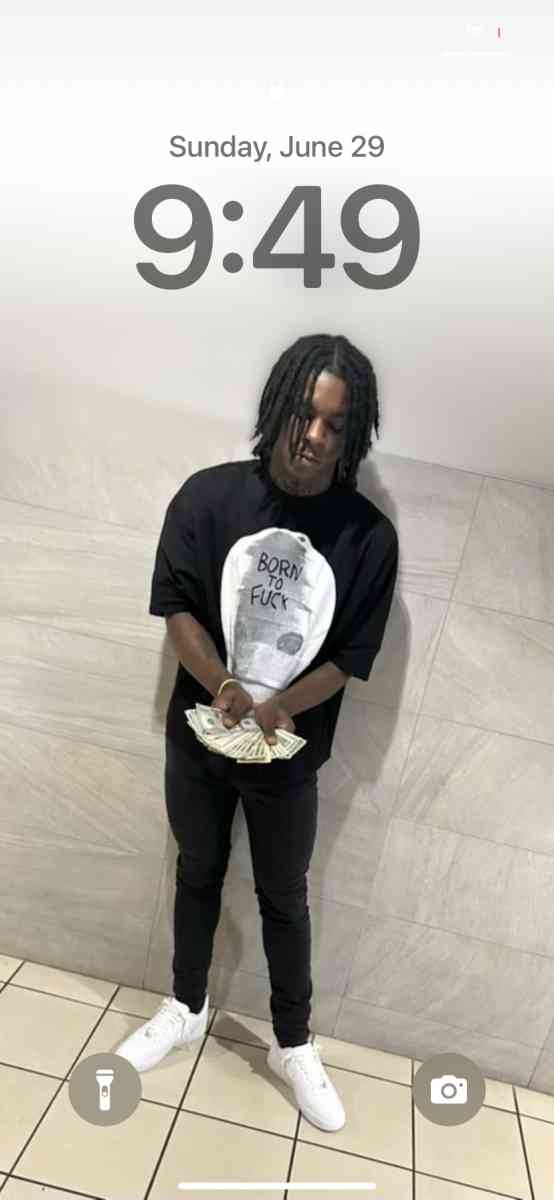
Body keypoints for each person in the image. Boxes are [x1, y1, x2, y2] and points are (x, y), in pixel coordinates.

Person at [115, 332, 399, 1133]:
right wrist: (224, 685)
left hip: (288, 759)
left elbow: (351, 656)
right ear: (277, 405)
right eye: (305, 413)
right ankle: (186, 1007)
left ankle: (292, 1044)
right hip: (197, 738)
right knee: (197, 870)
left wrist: (283, 706)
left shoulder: (368, 538)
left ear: (354, 435)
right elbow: (177, 605)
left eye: (336, 425)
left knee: (284, 896)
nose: (315, 436)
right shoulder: (207, 498)